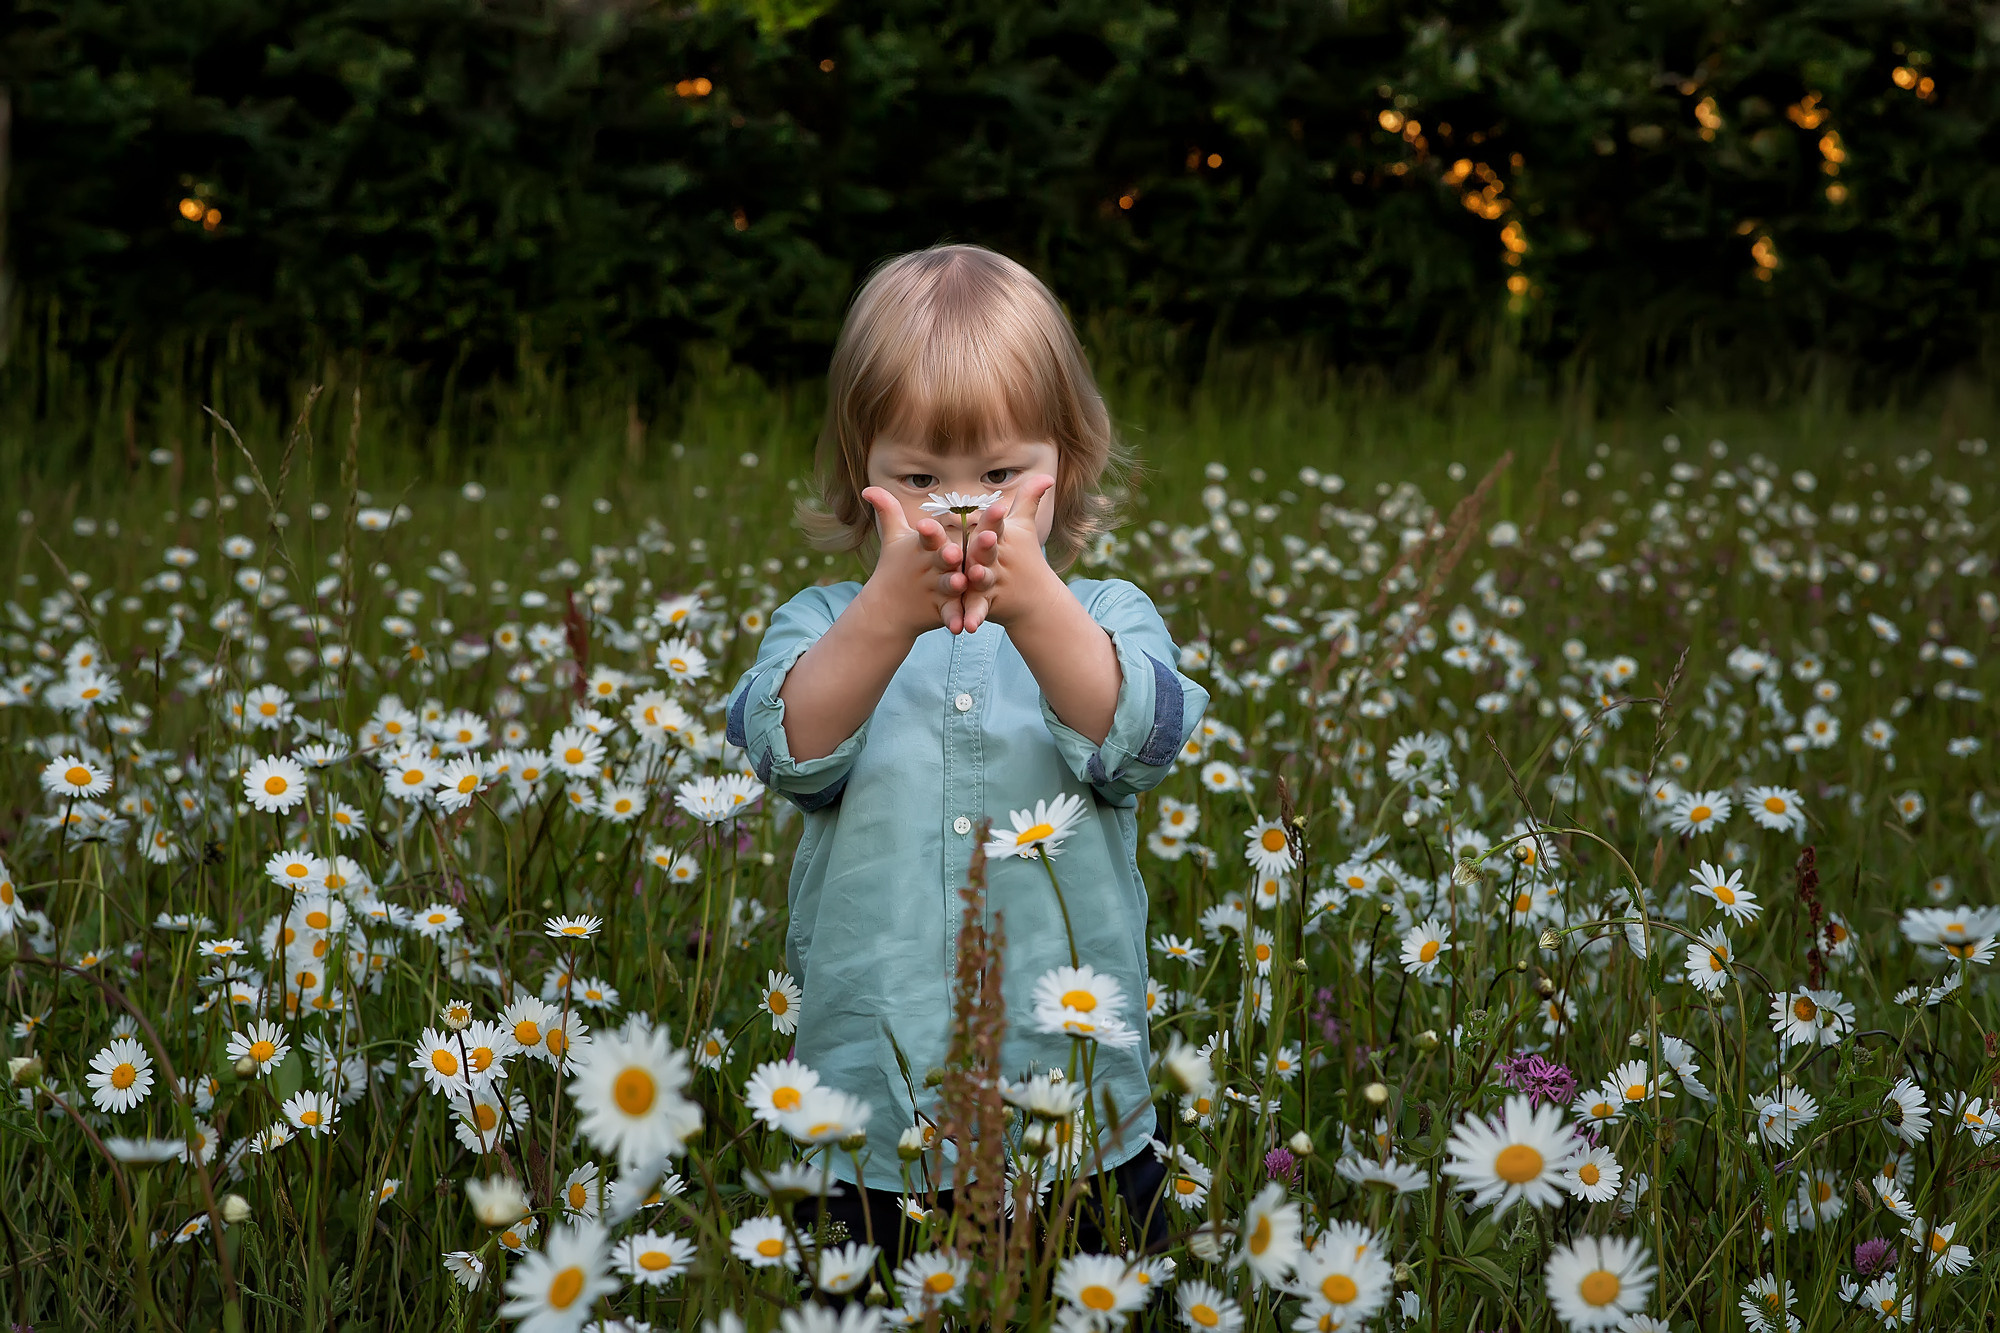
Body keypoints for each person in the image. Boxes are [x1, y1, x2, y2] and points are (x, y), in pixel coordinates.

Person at [725, 243, 1208, 1262]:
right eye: (918, 476)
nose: (959, 508)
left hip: (1068, 1106)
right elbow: (786, 751)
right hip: (867, 1111)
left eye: (997, 474)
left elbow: (1139, 742)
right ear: (862, 478)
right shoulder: (825, 623)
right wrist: (879, 618)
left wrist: (1033, 603)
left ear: (1063, 465)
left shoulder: (1102, 616)